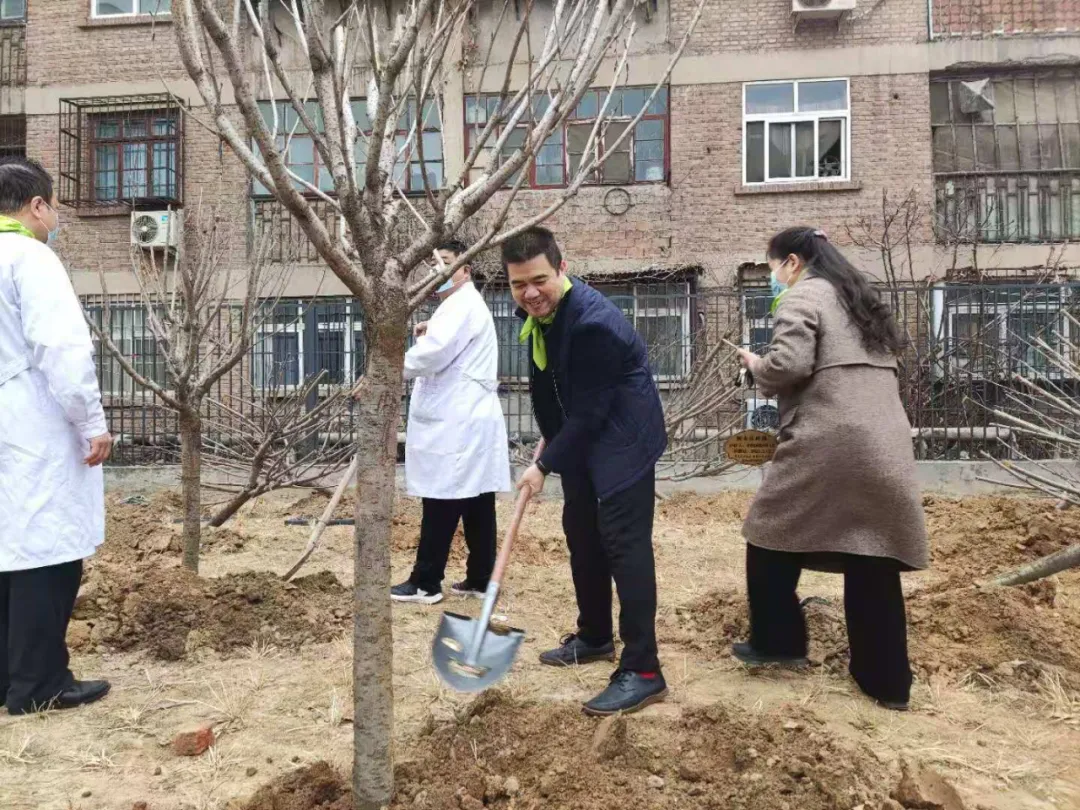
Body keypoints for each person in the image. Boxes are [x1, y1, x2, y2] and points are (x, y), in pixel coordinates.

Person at [734, 226, 928, 711]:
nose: (773, 278)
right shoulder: (860, 300)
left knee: (766, 533)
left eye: (773, 267)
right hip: (886, 443)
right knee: (872, 555)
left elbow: (790, 366)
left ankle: (777, 643)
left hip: (830, 440)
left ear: (793, 263)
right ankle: (886, 682)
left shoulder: (804, 297)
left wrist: (755, 365)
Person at [506, 226, 668, 716]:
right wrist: (553, 437)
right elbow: (560, 388)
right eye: (518, 284)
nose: (530, 293)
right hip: (582, 442)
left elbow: (593, 411)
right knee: (582, 536)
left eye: (539, 280)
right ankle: (596, 636)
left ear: (561, 269)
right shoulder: (543, 317)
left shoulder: (593, 324)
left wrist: (542, 465)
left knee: (624, 547)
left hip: (622, 443)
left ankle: (644, 670)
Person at [0, 157, 113, 715]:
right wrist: (91, 422)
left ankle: (7, 679)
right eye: (55, 206)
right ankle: (40, 683)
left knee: (7, 551)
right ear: (37, 205)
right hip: (30, 423)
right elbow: (61, 349)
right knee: (47, 553)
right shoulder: (30, 257)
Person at [391, 240, 511, 605]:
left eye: (445, 263)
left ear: (465, 270)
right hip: (469, 416)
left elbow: (434, 353)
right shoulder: (460, 305)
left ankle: (426, 582)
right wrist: (432, 326)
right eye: (431, 265)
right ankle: (480, 578)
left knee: (442, 497)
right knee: (476, 500)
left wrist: (387, 367)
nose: (437, 271)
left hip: (458, 420)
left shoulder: (461, 305)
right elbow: (447, 342)